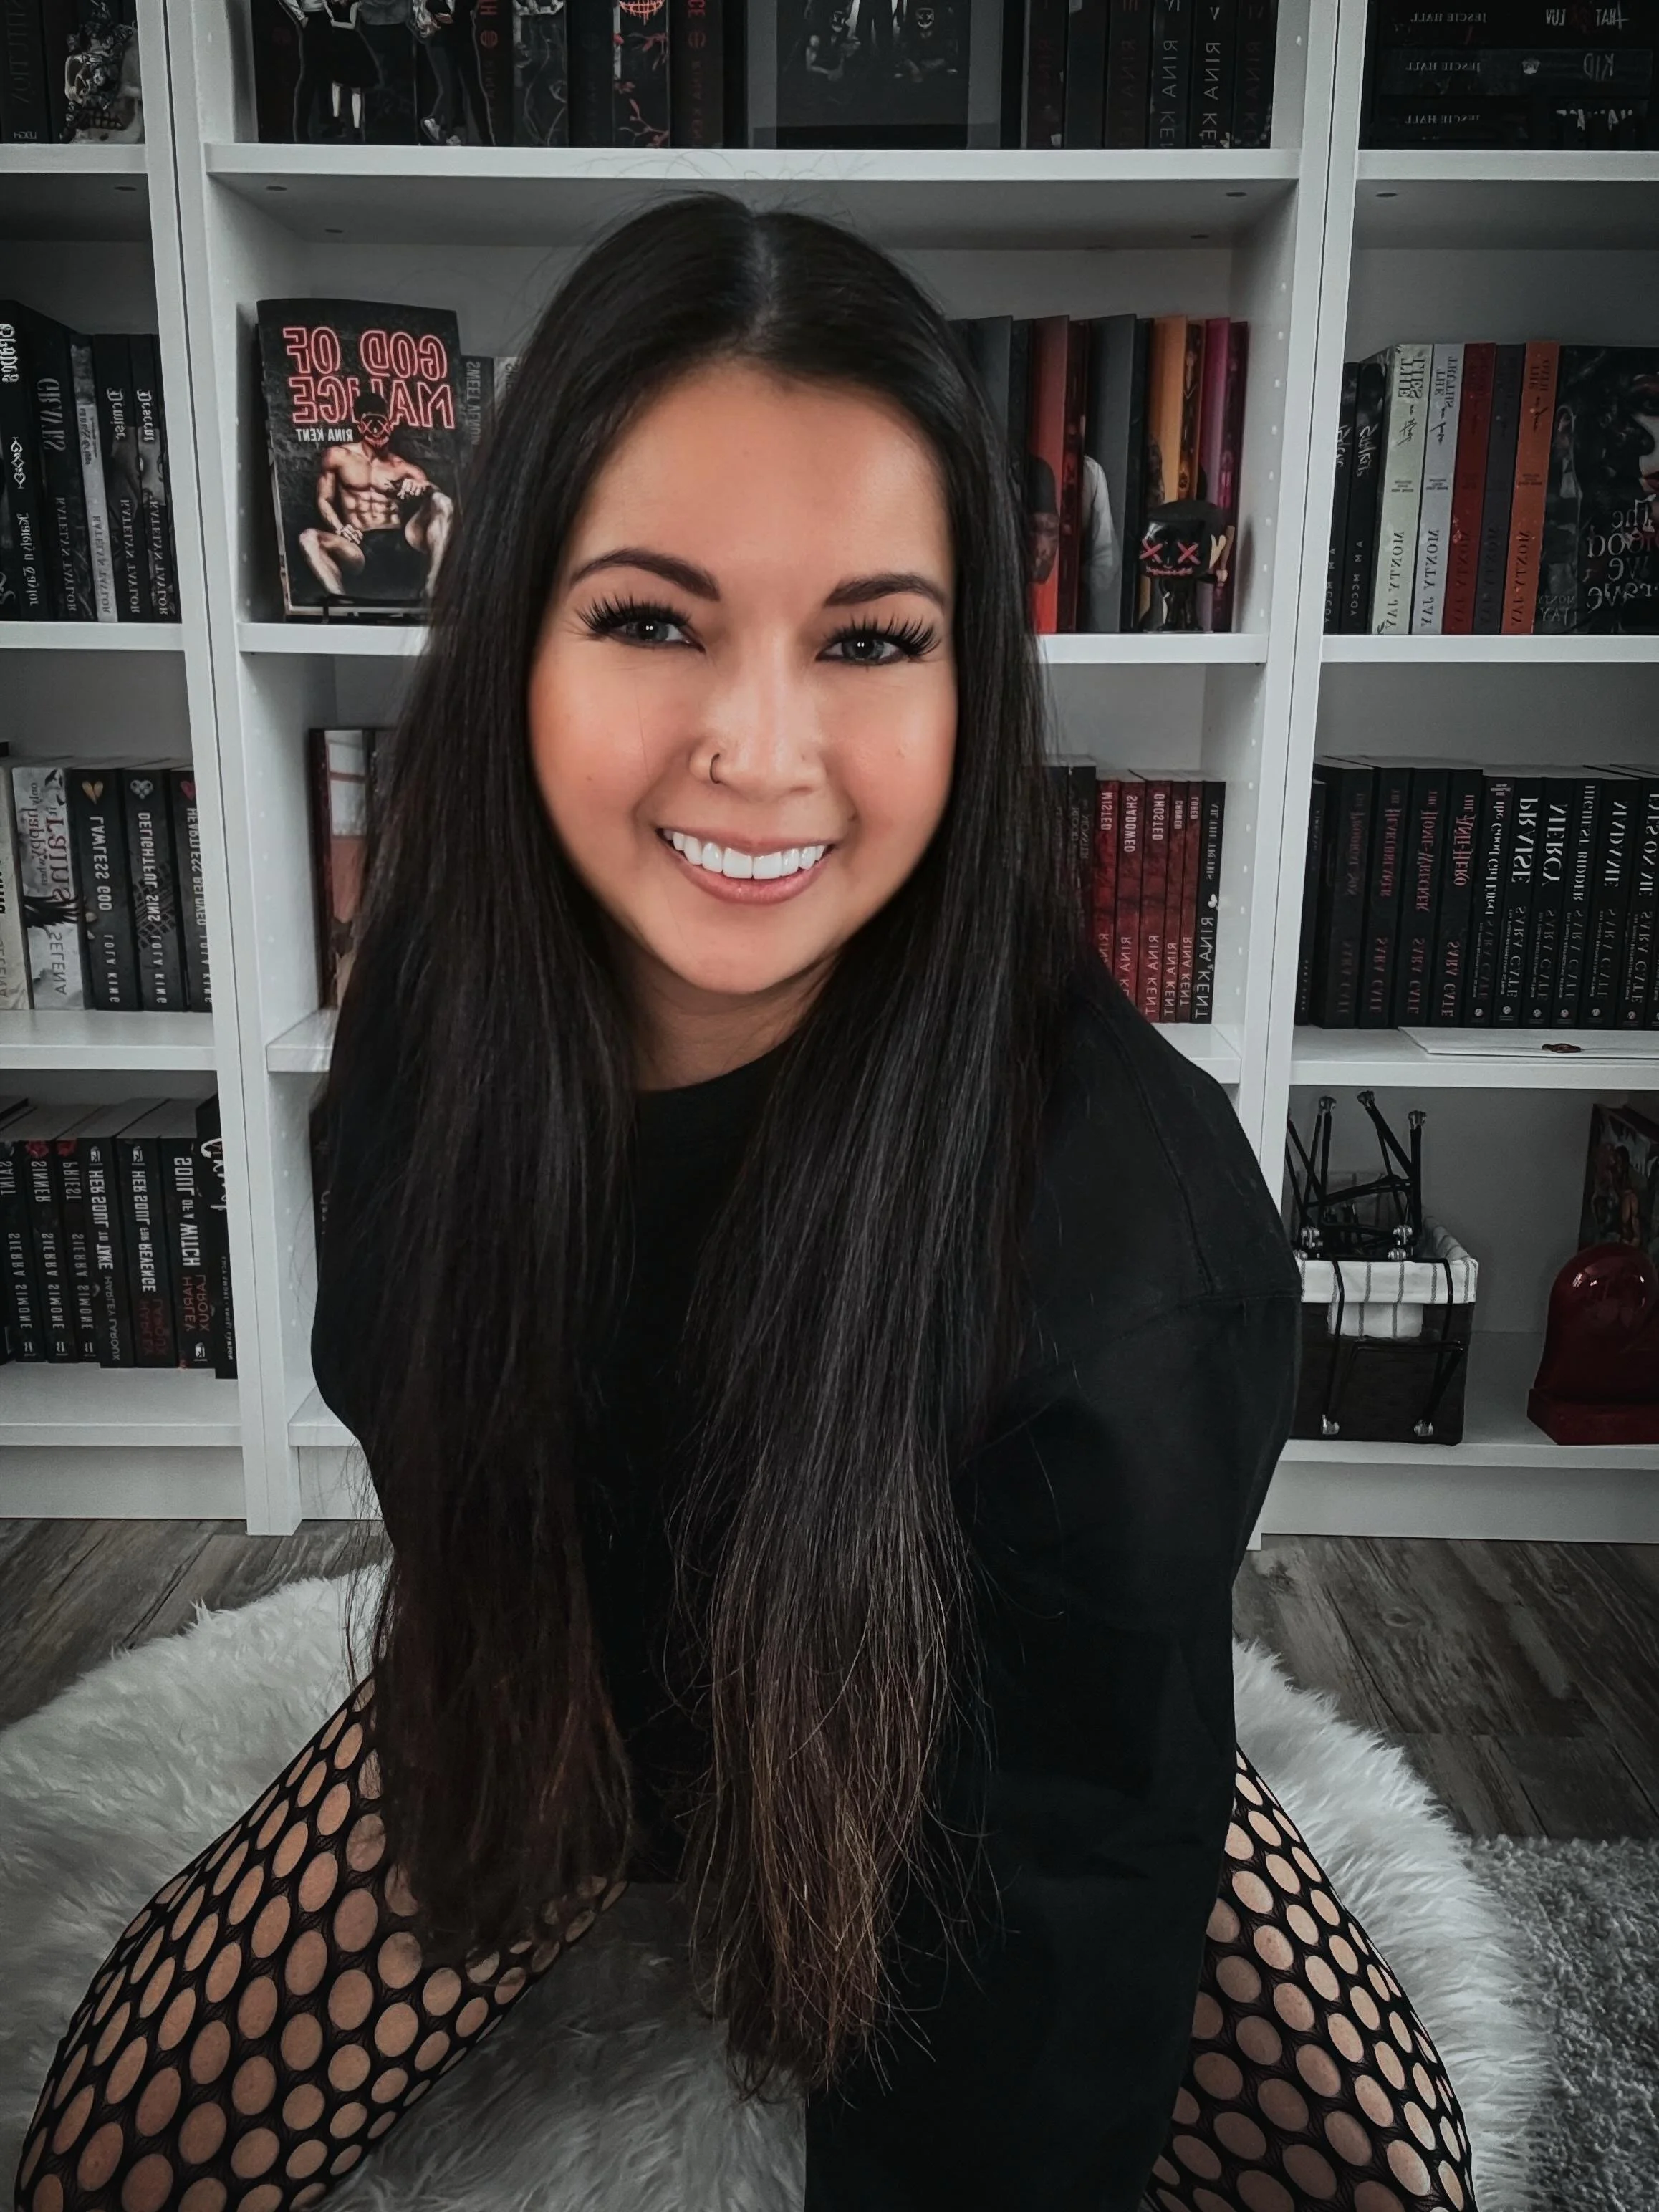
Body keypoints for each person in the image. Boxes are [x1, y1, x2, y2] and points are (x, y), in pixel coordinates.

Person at [12, 193, 1478, 2212]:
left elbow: (1028, 2019)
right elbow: (444, 1479)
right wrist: (545, 1749)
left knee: (1378, 2180)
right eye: (648, 617)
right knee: (106, 2161)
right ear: (516, 633)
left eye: (870, 639)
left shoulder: (1134, 1270)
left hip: (957, 1739)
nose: (760, 753)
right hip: (561, 1692)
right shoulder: (439, 1023)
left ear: (973, 692)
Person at [297, 406, 452, 605]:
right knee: (308, 538)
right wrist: (340, 528)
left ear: (390, 425)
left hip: (402, 542)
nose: (377, 430)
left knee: (442, 502)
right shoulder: (338, 456)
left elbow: (439, 499)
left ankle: (432, 586)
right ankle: (344, 607)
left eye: (382, 423)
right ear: (360, 425)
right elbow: (324, 499)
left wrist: (423, 486)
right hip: (360, 545)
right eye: (371, 423)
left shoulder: (404, 468)